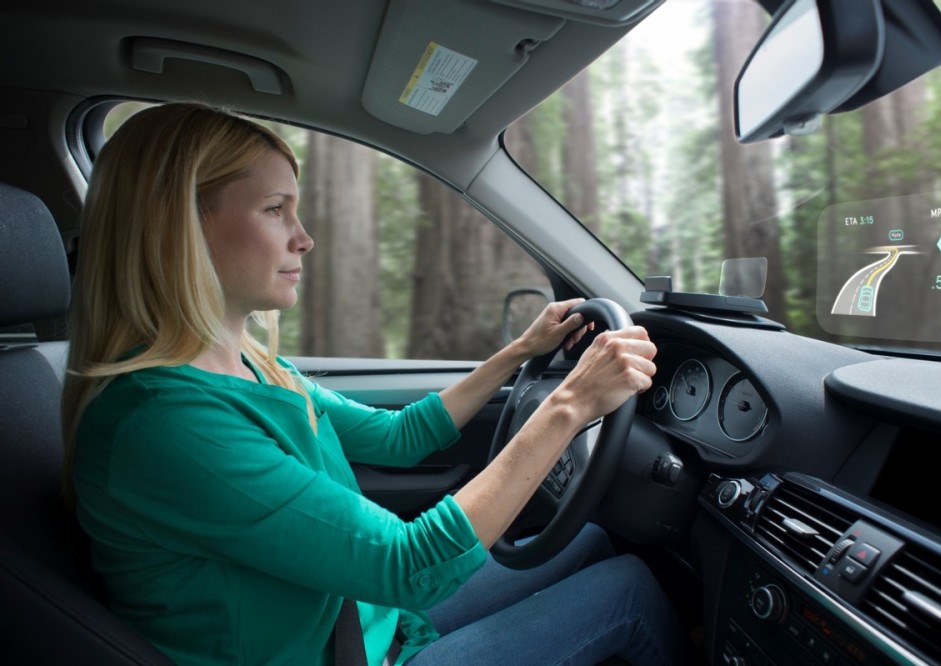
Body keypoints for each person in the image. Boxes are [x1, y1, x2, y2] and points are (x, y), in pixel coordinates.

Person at [62, 102, 694, 665]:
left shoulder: (247, 365)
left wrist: (521, 352)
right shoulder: (164, 421)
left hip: (364, 625)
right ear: (183, 228)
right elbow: (409, 565)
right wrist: (570, 403)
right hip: (348, 645)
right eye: (274, 209)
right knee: (628, 591)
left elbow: (399, 436)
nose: (304, 238)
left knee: (586, 542)